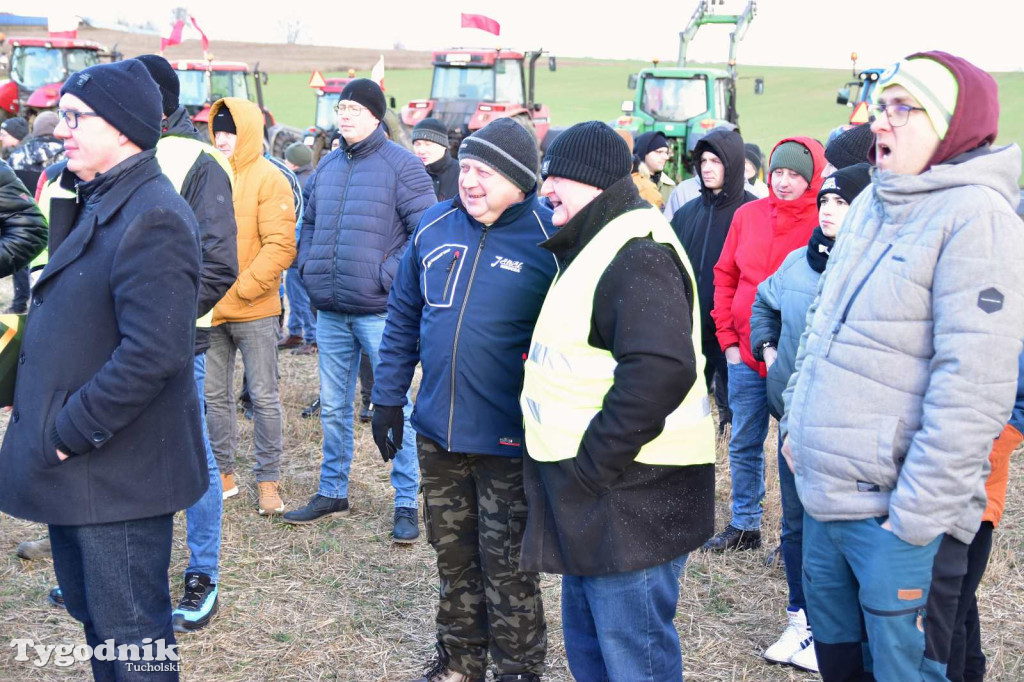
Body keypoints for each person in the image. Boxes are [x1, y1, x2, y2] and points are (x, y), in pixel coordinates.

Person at [780, 51, 1024, 681]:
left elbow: (973, 391)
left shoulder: (978, 219)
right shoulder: (871, 206)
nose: (880, 124)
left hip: (897, 523)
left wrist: (913, 517)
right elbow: (821, 327)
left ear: (948, 126)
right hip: (826, 500)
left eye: (901, 109)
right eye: (882, 106)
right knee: (841, 666)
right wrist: (796, 430)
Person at [0, 60, 205, 680]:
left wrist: (67, 432)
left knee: (133, 635)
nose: (61, 130)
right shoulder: (97, 197)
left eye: (74, 117)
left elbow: (154, 353)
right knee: (99, 621)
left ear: (120, 128)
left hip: (116, 469)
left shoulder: (154, 215)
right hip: (88, 468)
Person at [520, 121, 716, 681]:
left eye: (556, 175)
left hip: (633, 494)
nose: (546, 188)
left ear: (593, 181)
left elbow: (660, 368)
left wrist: (591, 467)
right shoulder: (599, 242)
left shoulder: (635, 249)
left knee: (633, 658)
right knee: (594, 652)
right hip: (602, 493)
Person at [372, 118, 554, 682]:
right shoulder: (435, 225)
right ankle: (460, 660)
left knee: (509, 565)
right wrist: (387, 397)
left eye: (484, 172)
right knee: (452, 558)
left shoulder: (551, 239)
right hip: (439, 433)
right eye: (466, 168)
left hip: (511, 438)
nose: (468, 182)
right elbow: (404, 316)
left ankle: (519, 668)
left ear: (520, 180)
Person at [289, 79, 435, 542]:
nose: (345, 114)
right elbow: (308, 224)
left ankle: (407, 500)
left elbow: (426, 231)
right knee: (334, 406)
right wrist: (309, 265)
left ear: (376, 114)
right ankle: (333, 490)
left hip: (379, 312)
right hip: (330, 309)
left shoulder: (404, 166)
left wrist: (385, 275)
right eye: (341, 107)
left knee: (395, 405)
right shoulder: (328, 165)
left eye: (354, 107)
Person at [749, 162, 871, 672]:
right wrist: (769, 351)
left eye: (841, 203)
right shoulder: (798, 263)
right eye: (825, 202)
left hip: (844, 432)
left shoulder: (868, 269)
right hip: (792, 421)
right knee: (796, 525)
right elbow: (763, 303)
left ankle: (836, 631)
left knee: (836, 531)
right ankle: (800, 618)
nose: (828, 212)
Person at [137, 52, 239, 633]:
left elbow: (217, 263)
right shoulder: (110, 155)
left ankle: (202, 572)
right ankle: (123, 564)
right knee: (123, 455)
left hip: (177, 343)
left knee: (190, 455)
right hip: (110, 341)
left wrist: (163, 324)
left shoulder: (198, 161)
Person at [703, 136, 825, 552]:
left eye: (795, 175)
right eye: (778, 173)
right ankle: (745, 524)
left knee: (793, 448)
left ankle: (795, 539)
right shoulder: (748, 215)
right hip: (744, 355)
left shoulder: (822, 223)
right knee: (743, 439)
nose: (785, 182)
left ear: (812, 179)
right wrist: (730, 343)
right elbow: (725, 276)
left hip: (795, 357)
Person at [206, 98, 296, 515]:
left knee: (263, 397)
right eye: (218, 131)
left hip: (254, 309)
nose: (223, 138)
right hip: (209, 311)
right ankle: (221, 474)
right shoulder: (205, 174)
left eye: (230, 131)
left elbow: (280, 246)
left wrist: (240, 292)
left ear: (247, 132)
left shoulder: (268, 178)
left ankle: (268, 482)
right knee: (213, 397)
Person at [670, 127, 756, 435]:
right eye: (703, 160)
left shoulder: (752, 212)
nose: (707, 168)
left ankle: (731, 430)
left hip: (733, 323)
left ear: (732, 163)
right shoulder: (688, 213)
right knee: (687, 393)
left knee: (734, 391)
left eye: (716, 161)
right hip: (691, 321)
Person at [946, 351, 1023, 682]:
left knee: (947, 615)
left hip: (975, 492)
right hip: (929, 484)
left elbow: (1017, 411)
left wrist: (969, 454)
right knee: (956, 602)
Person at [279, 141, 318, 355]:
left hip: (297, 250)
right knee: (296, 294)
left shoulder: (294, 183)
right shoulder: (312, 178)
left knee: (299, 297)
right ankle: (295, 332)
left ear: (293, 164)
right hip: (307, 249)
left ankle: (311, 338)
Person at [412, 117, 459, 201]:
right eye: (417, 144)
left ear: (443, 146)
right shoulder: (410, 173)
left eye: (428, 144)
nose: (421, 150)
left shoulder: (460, 173)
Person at [631, 131, 675, 208]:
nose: (666, 157)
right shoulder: (630, 183)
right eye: (659, 152)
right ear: (643, 152)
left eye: (666, 152)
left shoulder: (670, 187)